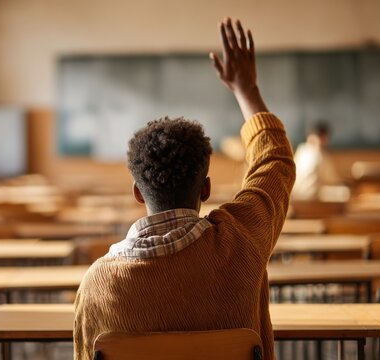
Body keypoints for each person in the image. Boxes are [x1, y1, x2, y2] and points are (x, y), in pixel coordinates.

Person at [73, 18, 295, 360]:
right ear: (205, 189)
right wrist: (246, 89)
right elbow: (275, 160)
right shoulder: (242, 242)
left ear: (137, 191)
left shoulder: (97, 285)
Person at [292, 122, 341, 200]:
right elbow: (332, 180)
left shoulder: (301, 150)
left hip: (295, 198)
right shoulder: (320, 153)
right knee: (343, 191)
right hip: (313, 199)